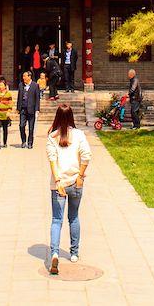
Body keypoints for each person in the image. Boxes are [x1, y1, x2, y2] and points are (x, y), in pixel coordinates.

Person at [45, 103, 90, 274]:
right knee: (74, 217)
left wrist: (58, 181)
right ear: (72, 117)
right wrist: (80, 176)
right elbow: (86, 156)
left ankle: (55, 253)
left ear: (56, 117)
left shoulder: (52, 137)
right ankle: (74, 253)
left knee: (57, 220)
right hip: (76, 182)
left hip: (59, 184)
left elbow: (52, 161)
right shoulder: (79, 135)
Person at [16, 70, 41, 148]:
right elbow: (19, 97)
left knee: (31, 128)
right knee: (21, 125)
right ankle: (23, 141)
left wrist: (37, 109)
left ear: (29, 77)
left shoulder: (35, 85)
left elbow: (37, 98)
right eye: (23, 76)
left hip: (31, 109)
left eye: (25, 76)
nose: (23, 78)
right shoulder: (21, 85)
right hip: (23, 109)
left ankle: (30, 143)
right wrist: (18, 108)